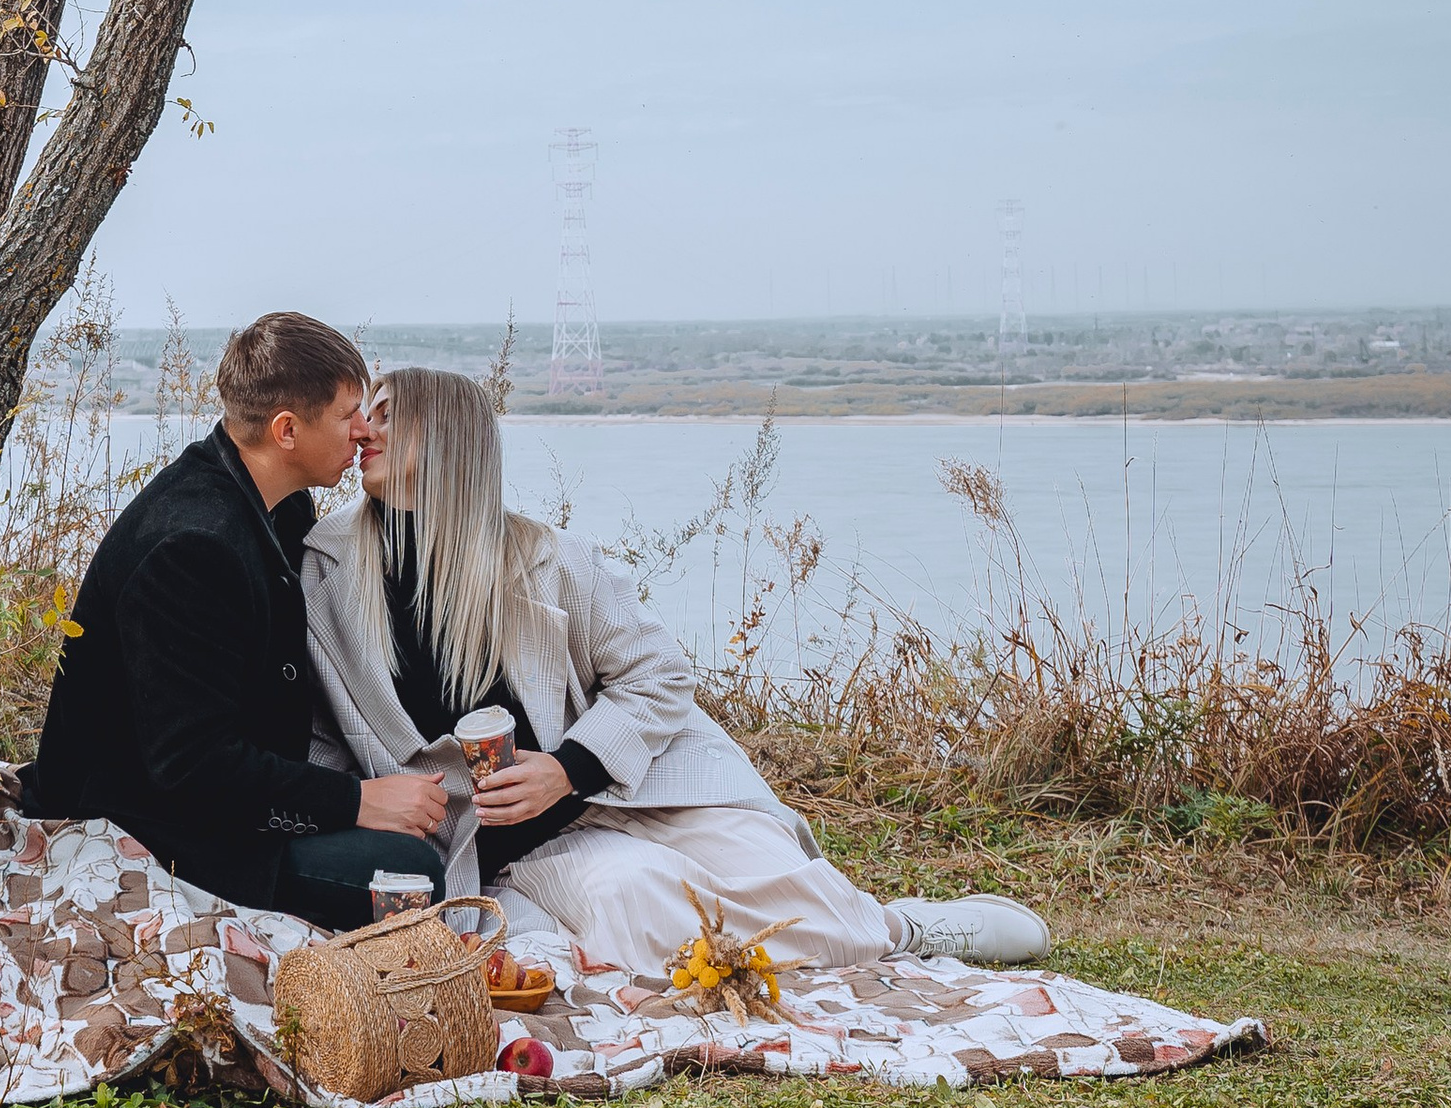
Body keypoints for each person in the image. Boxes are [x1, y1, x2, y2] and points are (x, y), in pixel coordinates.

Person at [302, 368, 1047, 976]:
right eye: (364, 415)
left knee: (783, 873)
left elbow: (658, 676)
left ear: (450, 440)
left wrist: (565, 769)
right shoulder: (324, 571)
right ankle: (863, 929)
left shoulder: (548, 558)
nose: (364, 430)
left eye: (389, 416)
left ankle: (899, 927)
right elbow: (322, 735)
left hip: (630, 786)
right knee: (640, 903)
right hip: (515, 844)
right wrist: (357, 806)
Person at [19, 311, 450, 928]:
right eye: (348, 414)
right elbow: (193, 768)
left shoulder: (277, 504)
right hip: (149, 816)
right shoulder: (194, 547)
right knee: (412, 873)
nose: (363, 431)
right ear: (286, 430)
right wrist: (355, 801)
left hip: (217, 790)